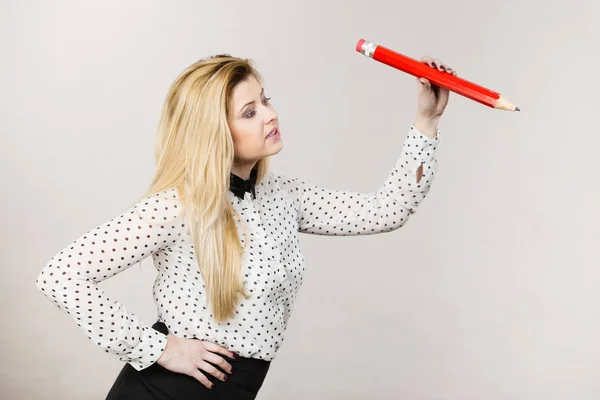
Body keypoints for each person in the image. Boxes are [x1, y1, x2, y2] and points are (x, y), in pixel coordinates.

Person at [36, 53, 457, 399]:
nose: (270, 115)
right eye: (249, 111)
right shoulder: (177, 207)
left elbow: (387, 210)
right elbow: (60, 276)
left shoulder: (284, 196)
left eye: (266, 100)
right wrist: (158, 347)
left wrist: (427, 121)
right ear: (215, 131)